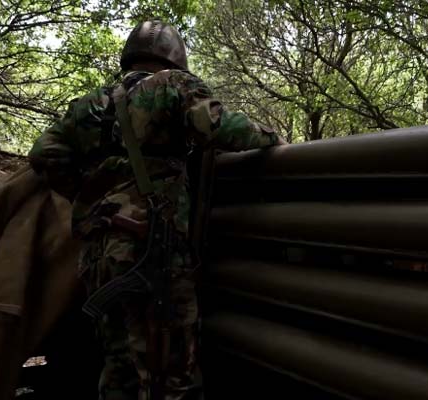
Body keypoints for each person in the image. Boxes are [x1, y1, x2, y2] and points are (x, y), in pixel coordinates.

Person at [28, 20, 285, 400]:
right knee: (169, 372)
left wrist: (90, 191)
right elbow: (219, 126)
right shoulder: (171, 86)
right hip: (151, 252)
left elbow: (44, 154)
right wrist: (275, 139)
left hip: (98, 255)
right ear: (174, 59)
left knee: (118, 367)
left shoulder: (90, 105)